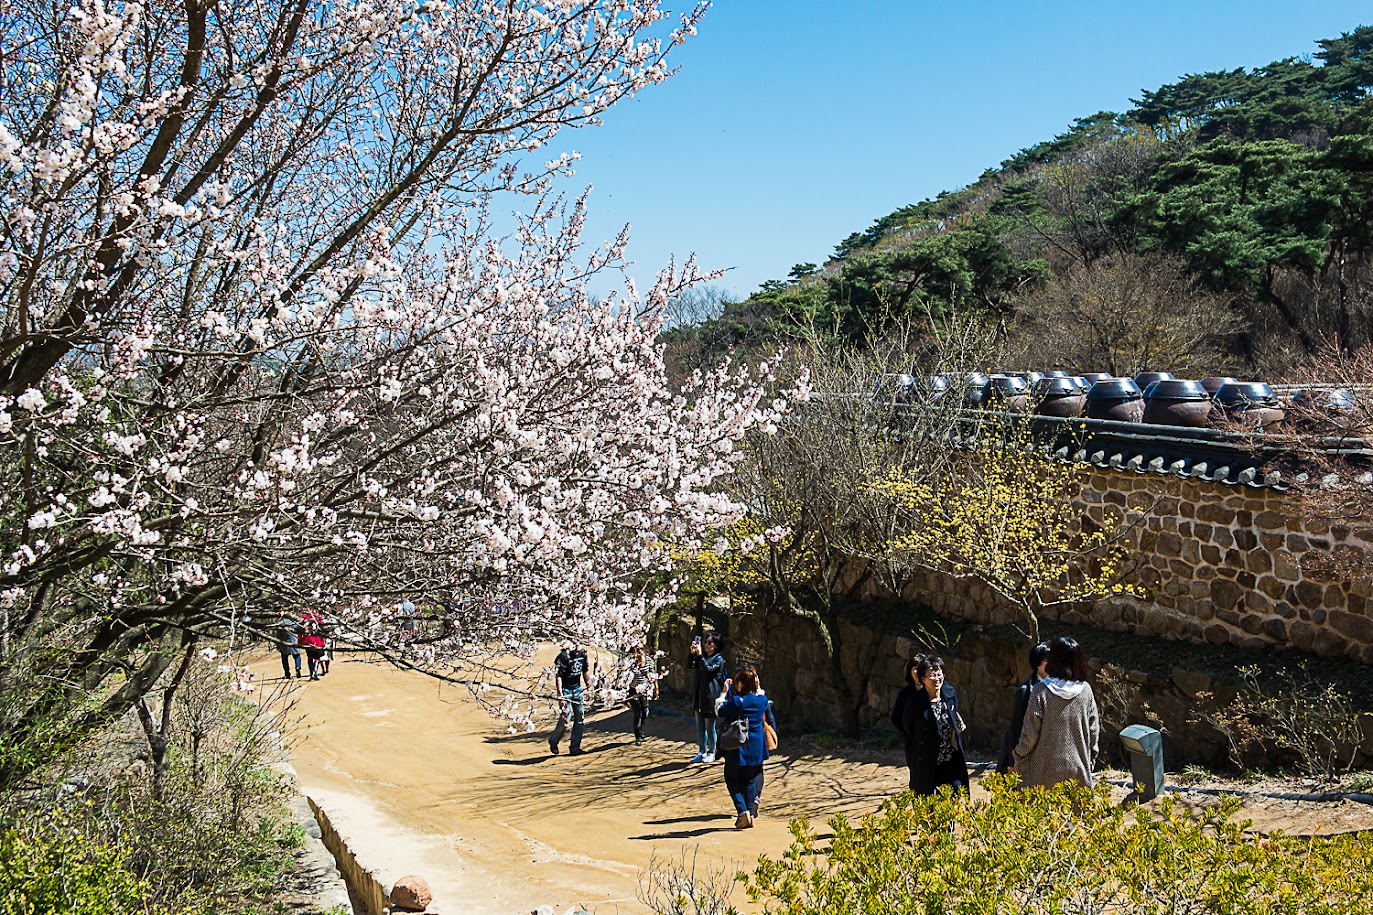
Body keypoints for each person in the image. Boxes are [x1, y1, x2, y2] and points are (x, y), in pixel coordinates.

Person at [1011, 637, 1099, 789]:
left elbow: (1029, 736)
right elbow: (1093, 733)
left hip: (1043, 772)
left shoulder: (1041, 691)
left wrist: (1018, 757)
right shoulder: (1086, 691)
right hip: (1078, 771)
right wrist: (1090, 761)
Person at [715, 664, 775, 829]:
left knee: (731, 778)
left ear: (740, 684)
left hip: (738, 744)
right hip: (756, 745)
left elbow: (719, 711)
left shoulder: (736, 701)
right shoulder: (762, 700)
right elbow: (762, 697)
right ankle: (749, 811)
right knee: (750, 779)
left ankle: (743, 812)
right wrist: (757, 685)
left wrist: (723, 693)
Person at [902, 656, 970, 796]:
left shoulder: (949, 694)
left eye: (939, 674)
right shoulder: (914, 702)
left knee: (953, 796)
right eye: (932, 675)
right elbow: (908, 729)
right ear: (922, 678)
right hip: (926, 763)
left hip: (949, 761)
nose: (936, 678)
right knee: (927, 807)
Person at [996, 642, 1050, 774]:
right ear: (1037, 664)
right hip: (1026, 755)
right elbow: (1016, 727)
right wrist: (1012, 761)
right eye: (1047, 660)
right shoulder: (1026, 690)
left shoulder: (1057, 688)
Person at [890, 653, 929, 792]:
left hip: (933, 743)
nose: (918, 672)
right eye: (915, 669)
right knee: (917, 779)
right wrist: (910, 731)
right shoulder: (905, 694)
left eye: (921, 668)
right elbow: (896, 718)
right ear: (910, 671)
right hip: (914, 743)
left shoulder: (933, 690)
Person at [688, 631, 727, 763]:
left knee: (710, 726)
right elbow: (690, 665)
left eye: (710, 643)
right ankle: (701, 751)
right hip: (699, 695)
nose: (706, 645)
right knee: (700, 726)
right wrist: (692, 654)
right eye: (705, 642)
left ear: (716, 645)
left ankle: (712, 751)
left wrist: (699, 656)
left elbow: (708, 670)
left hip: (710, 697)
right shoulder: (701, 657)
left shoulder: (719, 660)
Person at [549, 638, 590, 756]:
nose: (577, 652)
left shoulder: (583, 654)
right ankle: (554, 740)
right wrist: (560, 695)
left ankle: (575, 747)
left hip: (577, 689)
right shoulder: (563, 656)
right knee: (565, 719)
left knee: (580, 719)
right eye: (575, 650)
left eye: (579, 650)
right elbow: (558, 676)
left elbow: (585, 671)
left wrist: (588, 689)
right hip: (566, 690)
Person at [624, 645, 657, 744]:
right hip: (633, 690)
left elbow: (653, 676)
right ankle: (637, 735)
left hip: (645, 690)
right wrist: (625, 695)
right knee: (637, 713)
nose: (639, 651)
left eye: (641, 649)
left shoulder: (649, 661)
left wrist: (656, 689)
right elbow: (625, 679)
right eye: (637, 649)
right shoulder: (630, 663)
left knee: (645, 712)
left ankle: (641, 728)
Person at [299, 610, 327, 680]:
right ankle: (313, 673)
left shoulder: (304, 617)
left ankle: (312, 673)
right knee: (316, 658)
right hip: (316, 641)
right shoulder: (317, 616)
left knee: (311, 658)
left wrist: (300, 641)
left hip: (308, 641)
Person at [272, 614, 302, 679]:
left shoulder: (281, 623)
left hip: (284, 643)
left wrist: (278, 645)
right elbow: (300, 631)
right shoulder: (294, 623)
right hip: (294, 642)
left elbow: (278, 636)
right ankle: (298, 668)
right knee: (297, 656)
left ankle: (287, 673)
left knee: (284, 659)